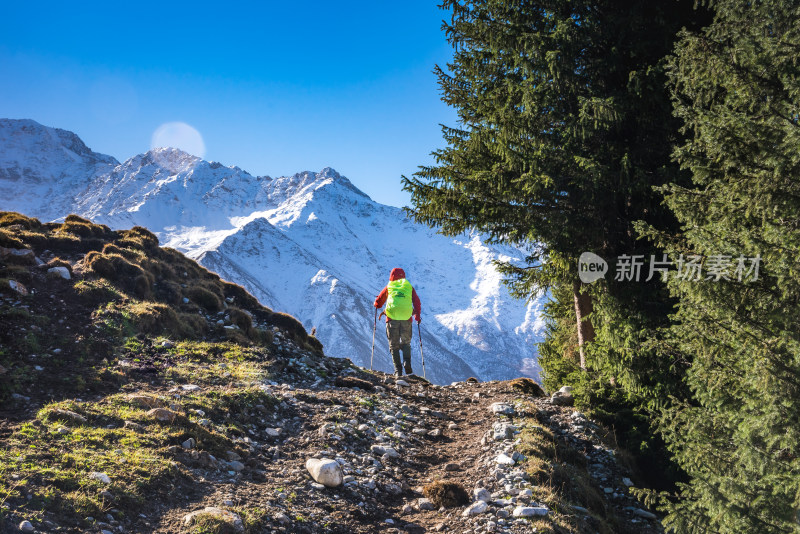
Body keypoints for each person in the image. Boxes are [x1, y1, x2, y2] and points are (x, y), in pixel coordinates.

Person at [374, 267, 421, 376]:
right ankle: (407, 363)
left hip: (392, 320)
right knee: (406, 343)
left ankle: (398, 371)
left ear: (391, 277)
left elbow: (379, 302)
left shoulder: (390, 286)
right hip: (406, 319)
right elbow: (417, 302)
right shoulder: (409, 287)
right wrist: (417, 317)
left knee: (393, 345)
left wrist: (376, 304)